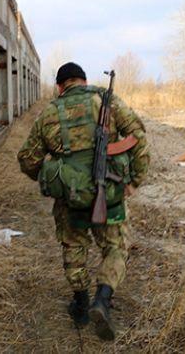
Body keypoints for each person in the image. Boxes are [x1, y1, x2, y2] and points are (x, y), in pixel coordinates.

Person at [17, 62, 150, 340]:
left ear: (59, 86)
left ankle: (80, 305)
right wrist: (134, 181)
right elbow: (138, 136)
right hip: (111, 194)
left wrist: (55, 179)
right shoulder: (105, 100)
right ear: (84, 80)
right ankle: (102, 299)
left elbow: (27, 159)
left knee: (74, 247)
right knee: (115, 247)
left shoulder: (50, 112)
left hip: (71, 198)